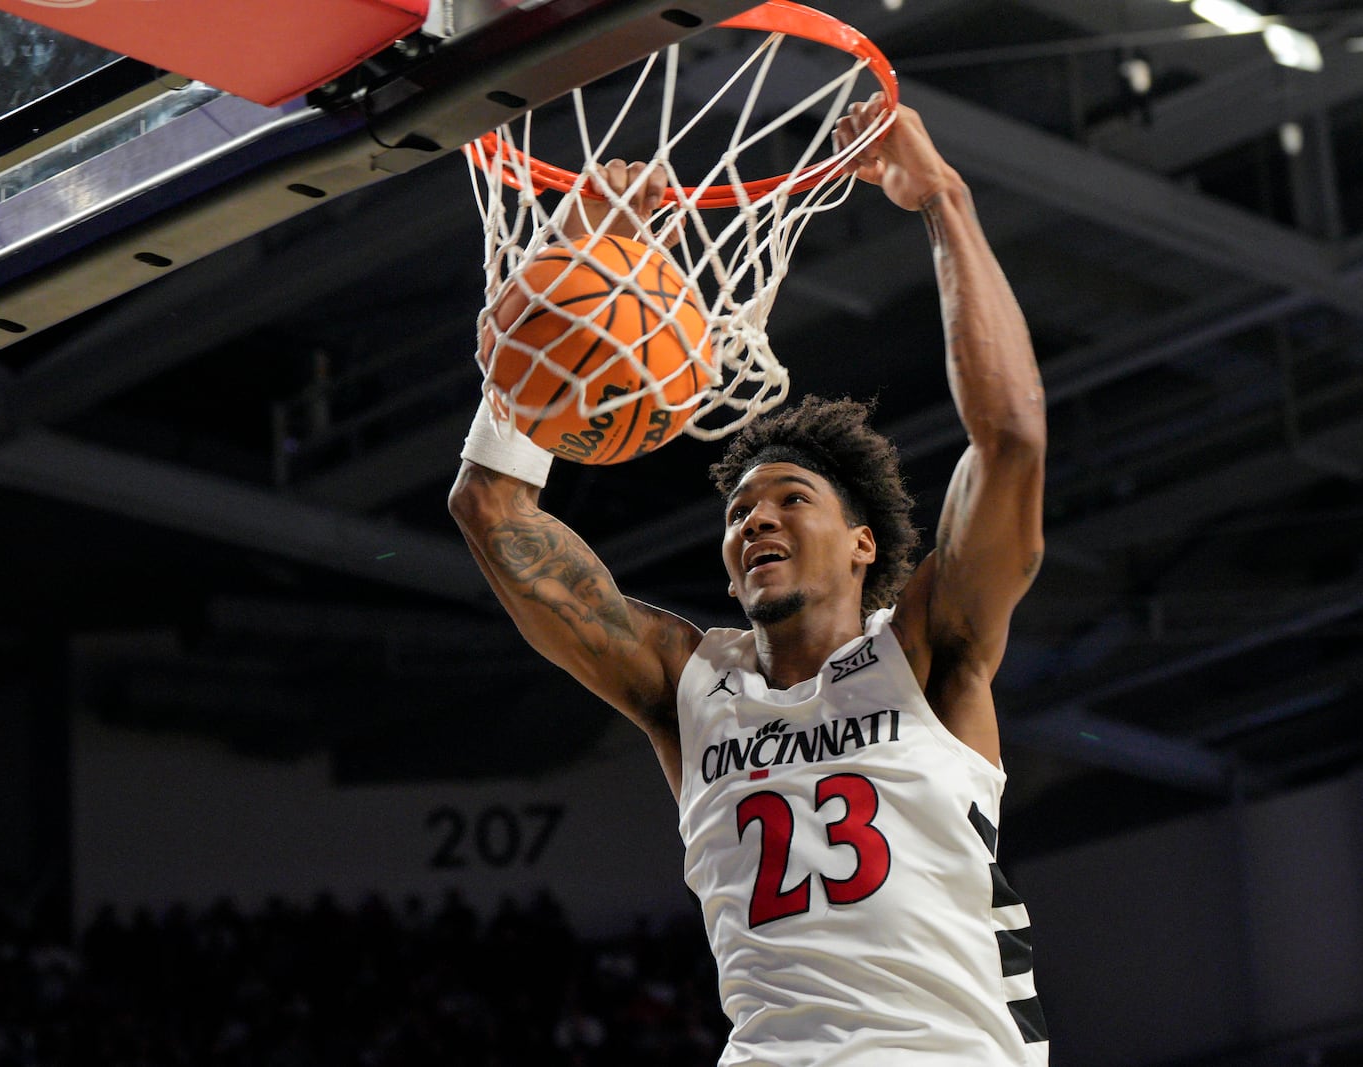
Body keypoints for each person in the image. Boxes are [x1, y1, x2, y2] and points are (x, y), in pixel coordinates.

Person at [449, 94, 1049, 1066]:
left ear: (862, 544)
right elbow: (492, 511)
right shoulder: (688, 685)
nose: (755, 517)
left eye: (788, 500)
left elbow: (1012, 438)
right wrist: (549, 323)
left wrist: (943, 199)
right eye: (737, 511)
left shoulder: (928, 652)